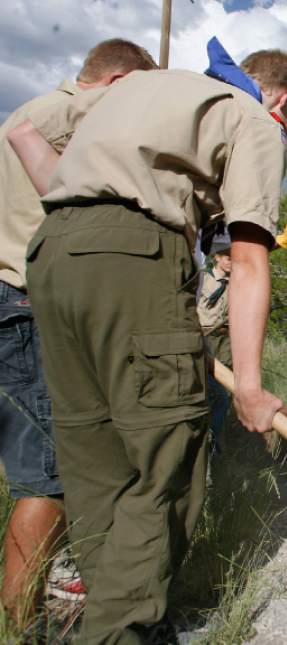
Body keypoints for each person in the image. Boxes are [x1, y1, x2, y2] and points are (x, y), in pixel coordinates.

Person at [7, 45, 287, 641]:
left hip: (51, 255)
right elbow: (248, 259)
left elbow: (22, 131)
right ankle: (120, 632)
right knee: (166, 463)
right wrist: (249, 388)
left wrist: (81, 208)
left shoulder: (147, 86)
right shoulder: (254, 119)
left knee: (95, 465)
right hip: (136, 255)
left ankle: (109, 615)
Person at [0, 38, 157, 633]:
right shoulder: (69, 116)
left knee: (50, 466)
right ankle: (19, 627)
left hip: (19, 303)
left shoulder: (27, 113)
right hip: (30, 307)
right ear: (118, 83)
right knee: (47, 474)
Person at [197, 240, 233, 454]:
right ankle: (208, 439)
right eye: (228, 257)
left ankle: (216, 437)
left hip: (226, 340)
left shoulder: (236, 282)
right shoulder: (203, 280)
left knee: (226, 392)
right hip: (206, 338)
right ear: (217, 258)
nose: (232, 262)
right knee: (213, 393)